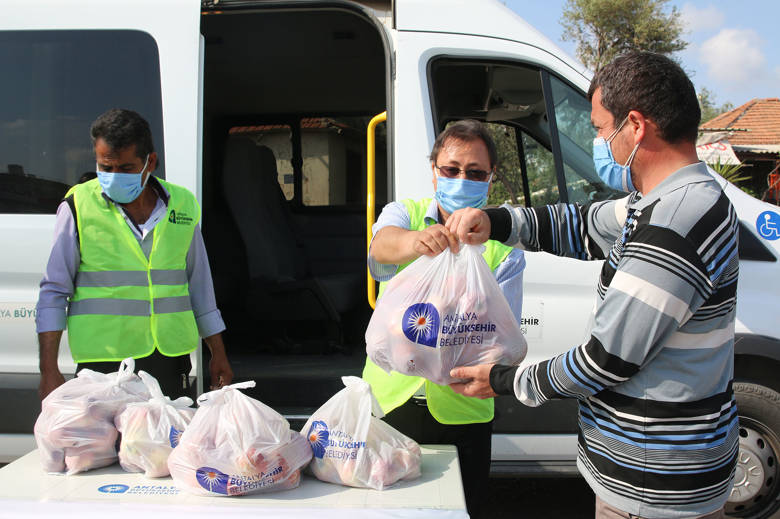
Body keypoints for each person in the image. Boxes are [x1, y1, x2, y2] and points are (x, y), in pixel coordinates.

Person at [447, 51, 739, 519]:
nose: (600, 140)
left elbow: (606, 359)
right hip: (644, 473)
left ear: (636, 126)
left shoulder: (679, 220)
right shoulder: (659, 201)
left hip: (652, 486)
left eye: (602, 129)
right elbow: (582, 224)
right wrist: (495, 220)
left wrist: (507, 380)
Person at [363, 119, 526, 518]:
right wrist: (414, 242)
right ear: (434, 170)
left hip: (463, 410)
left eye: (475, 173)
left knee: (460, 509)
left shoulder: (504, 248)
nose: (461, 179)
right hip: (390, 404)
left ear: (489, 181)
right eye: (451, 169)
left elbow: (501, 343)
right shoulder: (405, 213)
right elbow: (380, 248)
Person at [37, 108, 233, 401]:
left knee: (164, 444)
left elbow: (200, 287)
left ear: (150, 162)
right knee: (108, 448)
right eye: (105, 167)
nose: (113, 177)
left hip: (167, 359)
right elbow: (53, 292)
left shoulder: (182, 205)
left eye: (126, 169)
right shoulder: (78, 207)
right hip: (103, 366)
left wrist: (217, 352)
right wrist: (48, 369)